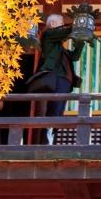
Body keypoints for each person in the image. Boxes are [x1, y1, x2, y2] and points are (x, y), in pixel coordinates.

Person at [27, 14, 85, 144]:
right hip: (56, 78)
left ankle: (52, 138)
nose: (64, 25)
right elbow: (65, 32)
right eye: (62, 23)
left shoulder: (60, 49)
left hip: (65, 80)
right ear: (53, 24)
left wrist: (81, 41)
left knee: (59, 111)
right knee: (54, 109)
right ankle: (46, 140)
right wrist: (80, 26)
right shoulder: (48, 36)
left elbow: (75, 56)